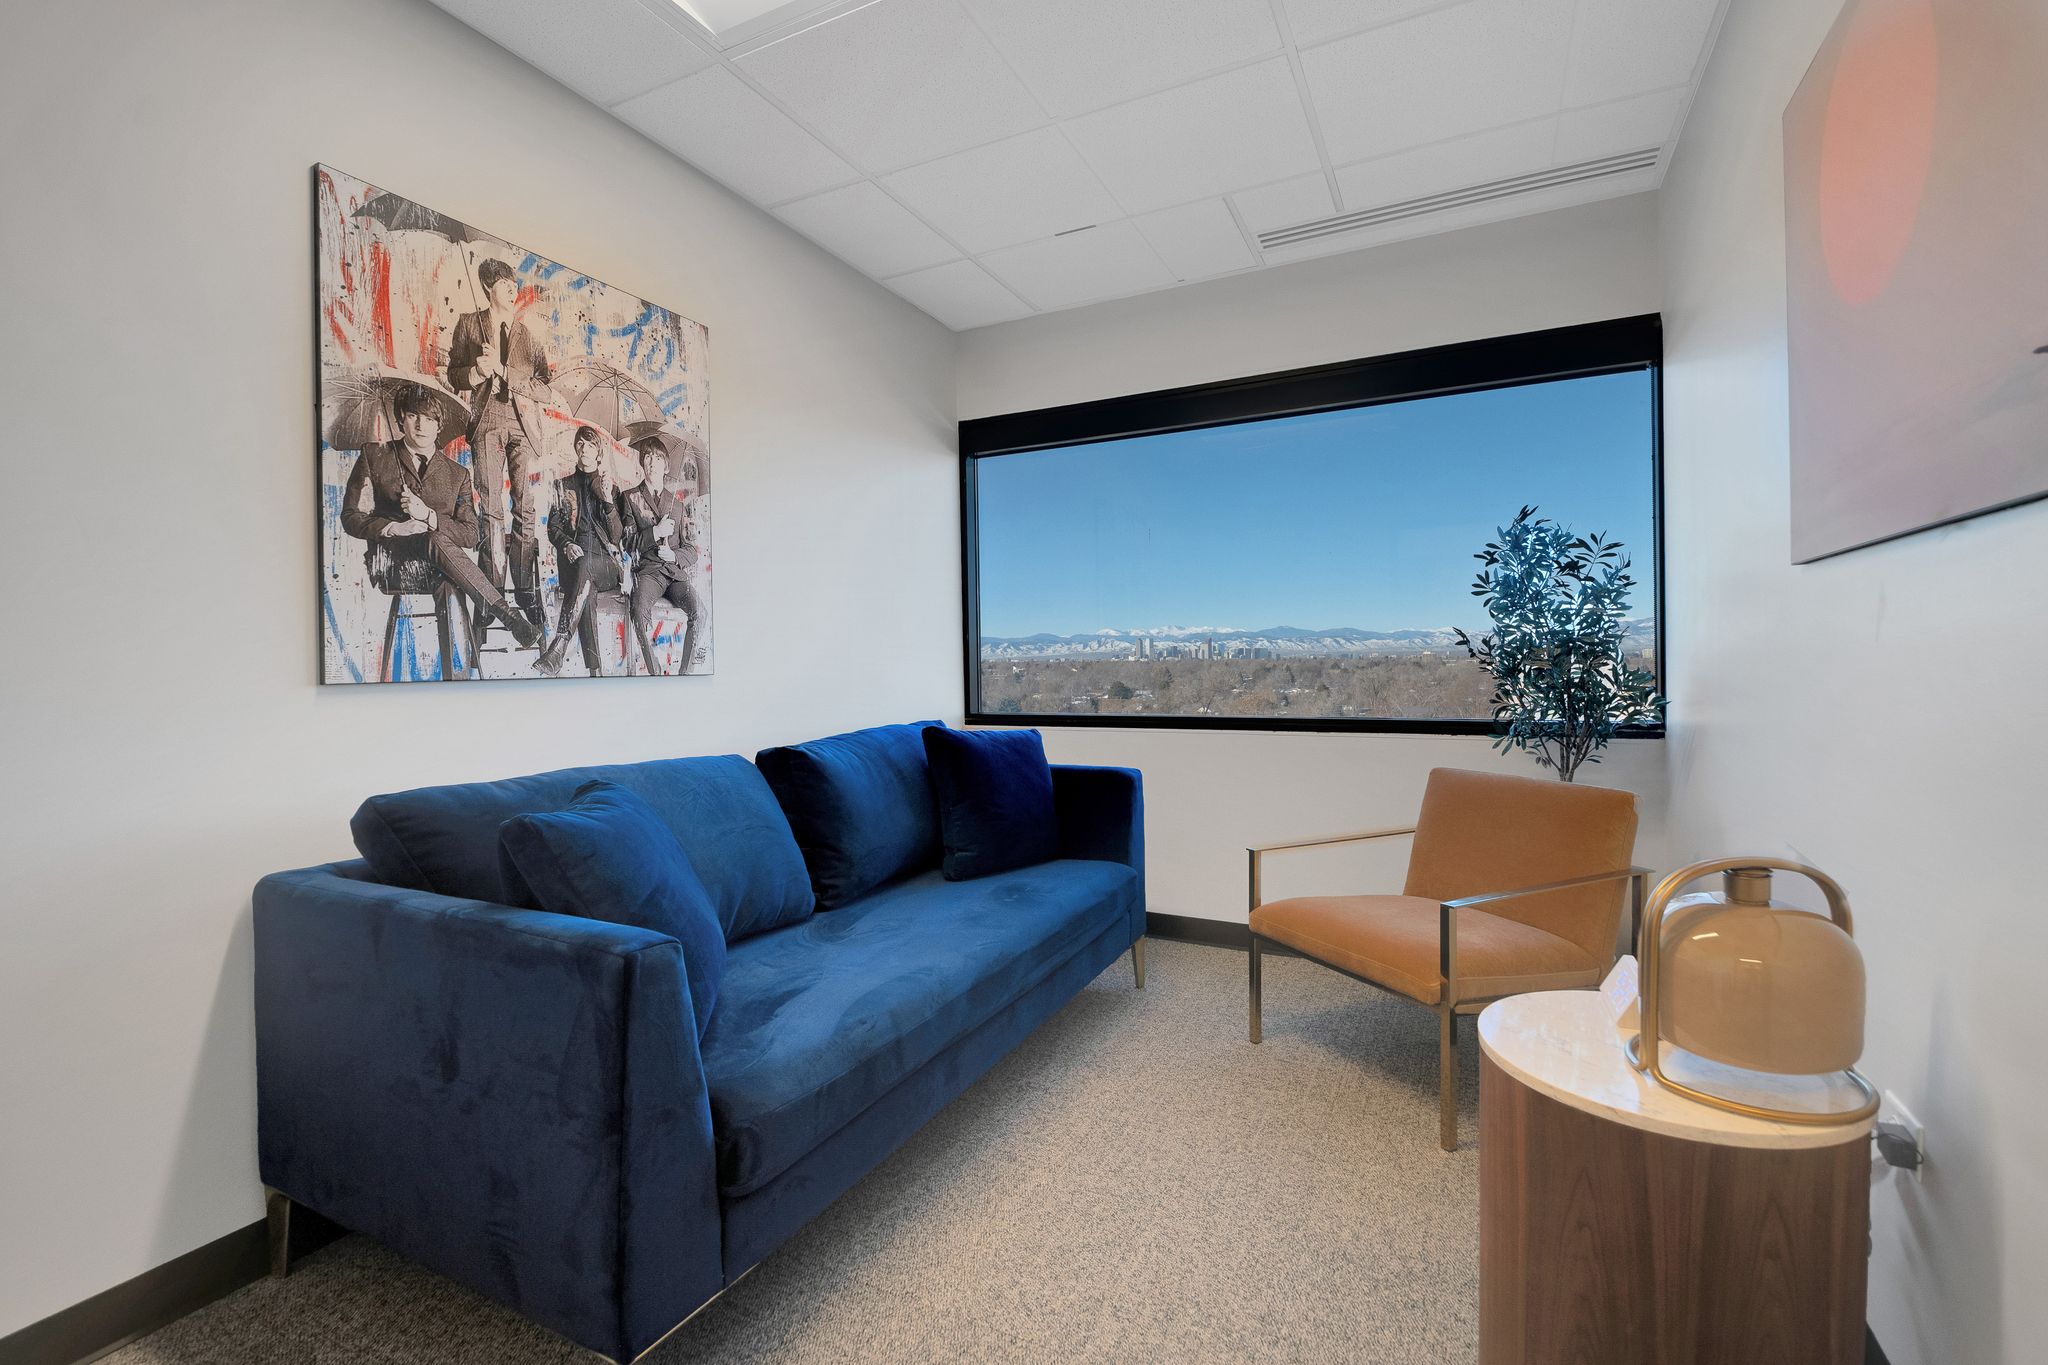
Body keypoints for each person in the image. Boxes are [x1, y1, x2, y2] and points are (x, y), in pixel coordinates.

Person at [339, 383, 541, 652]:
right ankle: (508, 616)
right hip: (393, 564)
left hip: (444, 564)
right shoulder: (374, 456)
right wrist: (395, 528)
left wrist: (429, 516)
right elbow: (351, 516)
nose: (421, 425)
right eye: (413, 416)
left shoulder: (457, 474)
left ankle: (456, 680)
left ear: (439, 425)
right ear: (401, 419)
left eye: (430, 419)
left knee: (447, 578)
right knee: (441, 555)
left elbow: (471, 534)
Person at [446, 257, 552, 628]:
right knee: (491, 510)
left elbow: (546, 388)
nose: (513, 288)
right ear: (490, 287)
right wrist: (478, 370)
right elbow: (454, 374)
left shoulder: (527, 335)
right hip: (486, 421)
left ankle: (523, 589)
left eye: (513, 282)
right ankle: (493, 597)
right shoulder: (468, 324)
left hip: (523, 426)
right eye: (506, 282)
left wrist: (505, 372)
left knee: (524, 508)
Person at [535, 426, 625, 677]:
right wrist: (566, 544)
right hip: (575, 565)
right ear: (576, 449)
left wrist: (607, 500)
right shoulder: (561, 485)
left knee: (586, 570)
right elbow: (552, 528)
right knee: (585, 591)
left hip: (606, 565)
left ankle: (559, 646)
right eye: (581, 444)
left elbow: (617, 536)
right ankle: (595, 672)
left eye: (591, 445)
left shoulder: (611, 488)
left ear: (599, 453)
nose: (585, 449)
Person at [616, 435, 707, 676]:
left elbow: (691, 551)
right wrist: (654, 532)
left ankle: (684, 674)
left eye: (657, 457)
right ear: (642, 463)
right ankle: (655, 673)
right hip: (648, 574)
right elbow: (626, 542)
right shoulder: (629, 497)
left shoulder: (676, 504)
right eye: (647, 456)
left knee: (700, 612)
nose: (652, 462)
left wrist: (673, 555)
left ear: (666, 466)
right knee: (638, 612)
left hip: (674, 574)